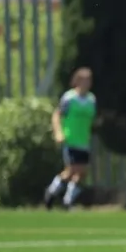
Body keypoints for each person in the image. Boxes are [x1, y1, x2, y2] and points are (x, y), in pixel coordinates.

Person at [44, 67, 96, 210]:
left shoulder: (91, 100)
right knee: (73, 170)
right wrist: (58, 132)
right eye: (84, 80)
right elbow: (57, 115)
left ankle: (61, 196)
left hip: (83, 141)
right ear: (77, 81)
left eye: (89, 80)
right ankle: (57, 195)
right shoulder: (69, 98)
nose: (87, 83)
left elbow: (91, 119)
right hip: (71, 139)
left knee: (82, 173)